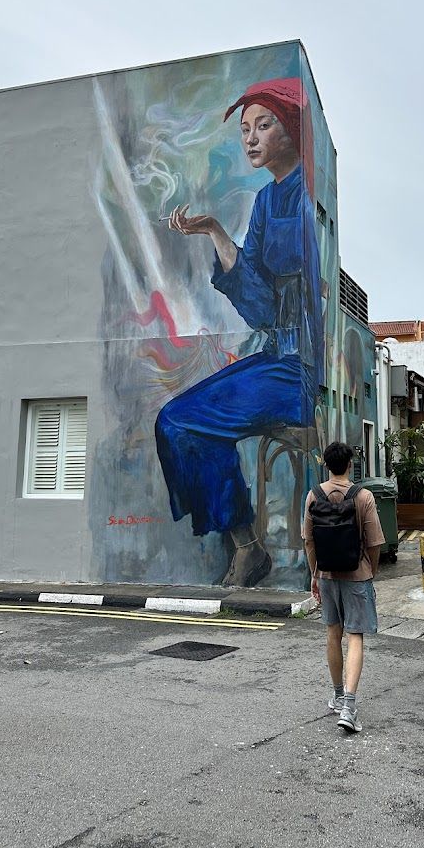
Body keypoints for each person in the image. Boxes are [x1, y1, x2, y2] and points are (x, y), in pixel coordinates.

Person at [155, 78, 324, 588]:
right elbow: (258, 304)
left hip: (296, 370)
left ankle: (247, 549)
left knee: (181, 421)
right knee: (178, 422)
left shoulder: (304, 198)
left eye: (263, 125)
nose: (250, 138)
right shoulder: (267, 201)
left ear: (292, 129)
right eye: (245, 129)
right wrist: (213, 230)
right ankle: (247, 546)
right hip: (274, 357)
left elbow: (288, 299)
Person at [302, 441, 384, 734]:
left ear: (326, 465)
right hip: (356, 575)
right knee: (355, 637)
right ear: (350, 465)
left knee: (332, 634)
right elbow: (374, 542)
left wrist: (315, 573)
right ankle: (349, 706)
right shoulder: (363, 496)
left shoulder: (313, 496)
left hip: (326, 575)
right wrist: (369, 570)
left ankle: (338, 696)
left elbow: (309, 541)